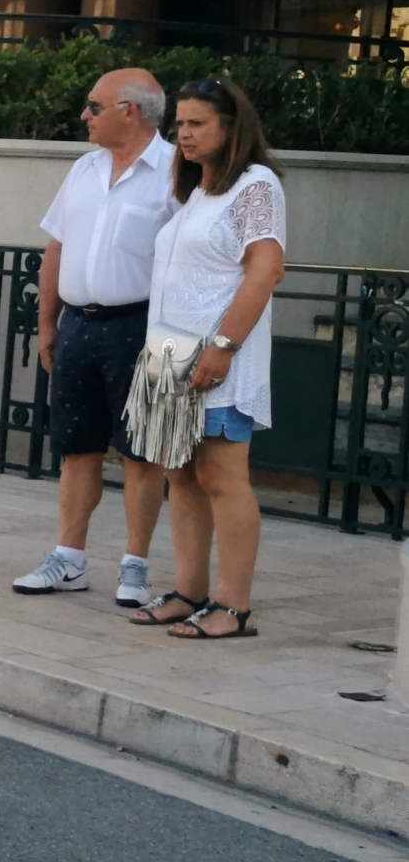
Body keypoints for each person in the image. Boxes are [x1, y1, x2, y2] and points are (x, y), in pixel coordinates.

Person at [127, 79, 287, 641]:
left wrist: (223, 347)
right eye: (180, 123)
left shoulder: (255, 185)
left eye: (197, 124)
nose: (183, 134)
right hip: (169, 349)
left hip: (215, 354)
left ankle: (233, 606)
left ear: (230, 128)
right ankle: (190, 592)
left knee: (221, 476)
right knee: (180, 473)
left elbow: (265, 269)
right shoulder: (201, 188)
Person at [11, 68, 177, 602]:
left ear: (130, 110)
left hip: (154, 328)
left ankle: (136, 565)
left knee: (145, 450)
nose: (85, 115)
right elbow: (56, 247)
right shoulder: (84, 169)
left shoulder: (179, 172)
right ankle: (69, 557)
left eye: (94, 106)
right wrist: (47, 322)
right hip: (81, 323)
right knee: (76, 445)